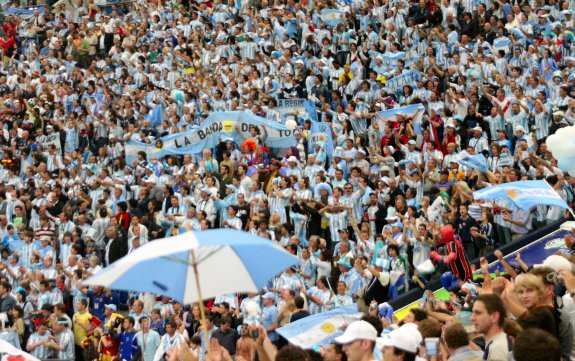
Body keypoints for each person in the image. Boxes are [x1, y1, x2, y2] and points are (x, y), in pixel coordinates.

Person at [471, 294, 511, 361]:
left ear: (494, 317)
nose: (472, 318)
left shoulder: (497, 348)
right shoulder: (497, 343)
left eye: (478, 313)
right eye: (473, 312)